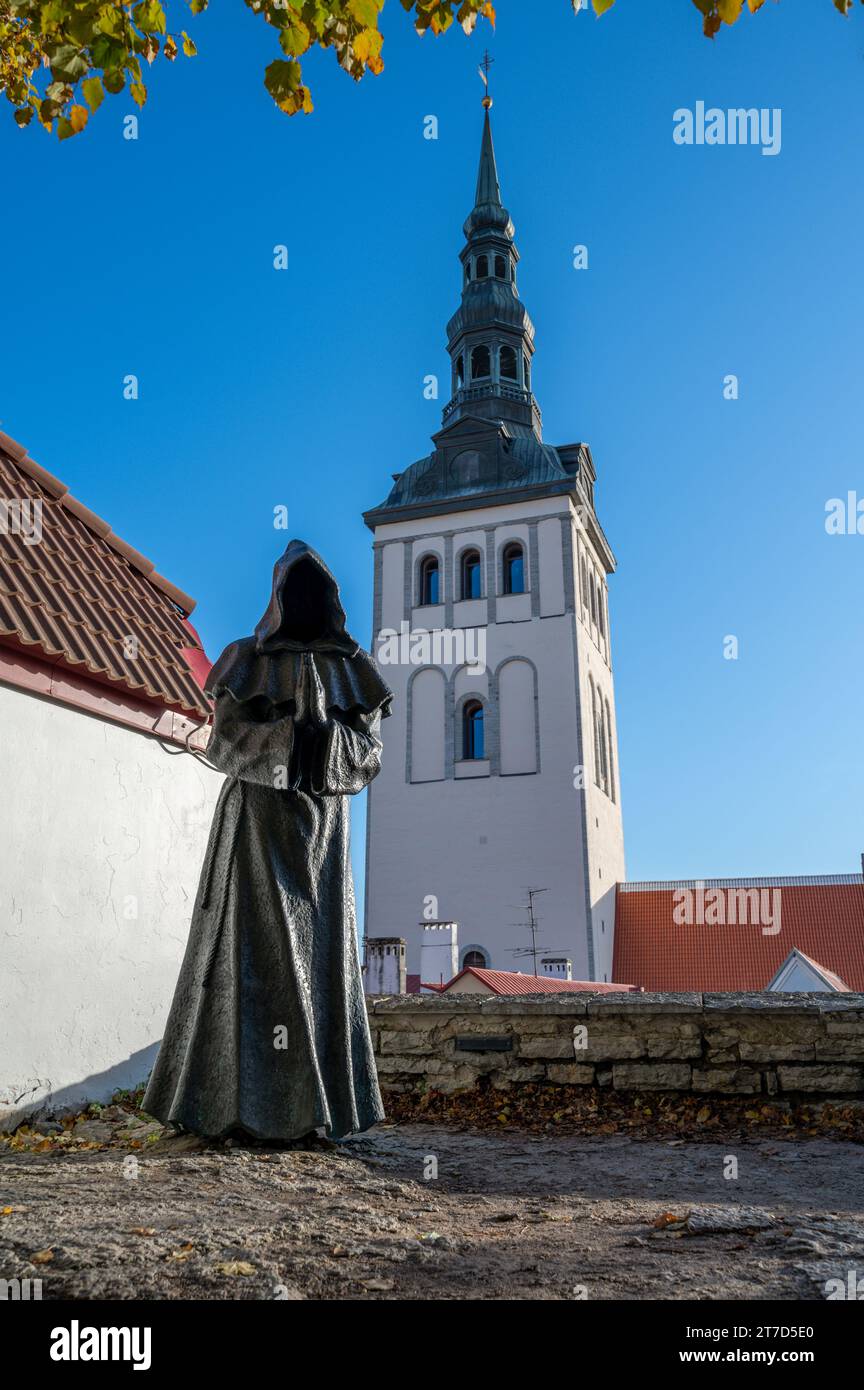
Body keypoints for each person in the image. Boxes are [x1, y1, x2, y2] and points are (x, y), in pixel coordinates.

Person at [142, 540, 392, 1142]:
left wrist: (325, 745)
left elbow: (369, 754)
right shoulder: (244, 659)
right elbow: (223, 742)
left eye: (315, 590)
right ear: (277, 597)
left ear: (329, 599)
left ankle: (315, 1108)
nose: (304, 600)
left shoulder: (352, 667)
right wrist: (286, 741)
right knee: (249, 960)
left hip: (323, 835)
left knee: (320, 956)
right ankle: (229, 1105)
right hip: (255, 827)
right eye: (294, 589)